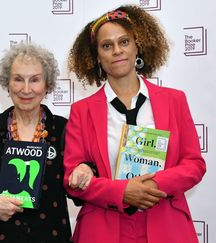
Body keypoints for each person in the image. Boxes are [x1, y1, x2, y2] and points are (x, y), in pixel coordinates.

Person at [63, 5, 206, 243]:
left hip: (166, 225)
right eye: (106, 45)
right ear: (97, 56)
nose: (117, 50)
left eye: (124, 42)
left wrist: (151, 186)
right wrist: (123, 192)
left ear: (137, 45)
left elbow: (194, 165)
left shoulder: (174, 100)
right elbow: (72, 180)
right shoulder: (82, 110)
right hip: (103, 228)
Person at [0, 43, 74, 242]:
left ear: (47, 85)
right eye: (18, 79)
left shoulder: (64, 129)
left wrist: (84, 174)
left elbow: (79, 192)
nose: (26, 89)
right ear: (7, 84)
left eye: (35, 80)